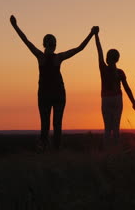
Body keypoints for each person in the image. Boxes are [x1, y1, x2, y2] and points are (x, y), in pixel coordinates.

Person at [10, 15, 97, 150]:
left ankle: (46, 147)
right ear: (54, 45)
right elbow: (79, 48)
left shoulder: (41, 56)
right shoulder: (58, 57)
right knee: (57, 124)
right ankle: (56, 149)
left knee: (45, 124)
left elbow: (25, 40)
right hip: (58, 94)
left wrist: (15, 26)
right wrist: (91, 33)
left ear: (44, 44)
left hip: (45, 94)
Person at [94, 30, 135, 146]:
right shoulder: (120, 72)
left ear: (107, 58)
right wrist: (133, 102)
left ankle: (108, 150)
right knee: (116, 126)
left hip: (106, 99)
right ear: (118, 59)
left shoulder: (103, 68)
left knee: (107, 127)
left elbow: (99, 51)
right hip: (117, 98)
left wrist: (96, 36)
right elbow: (127, 88)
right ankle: (117, 149)